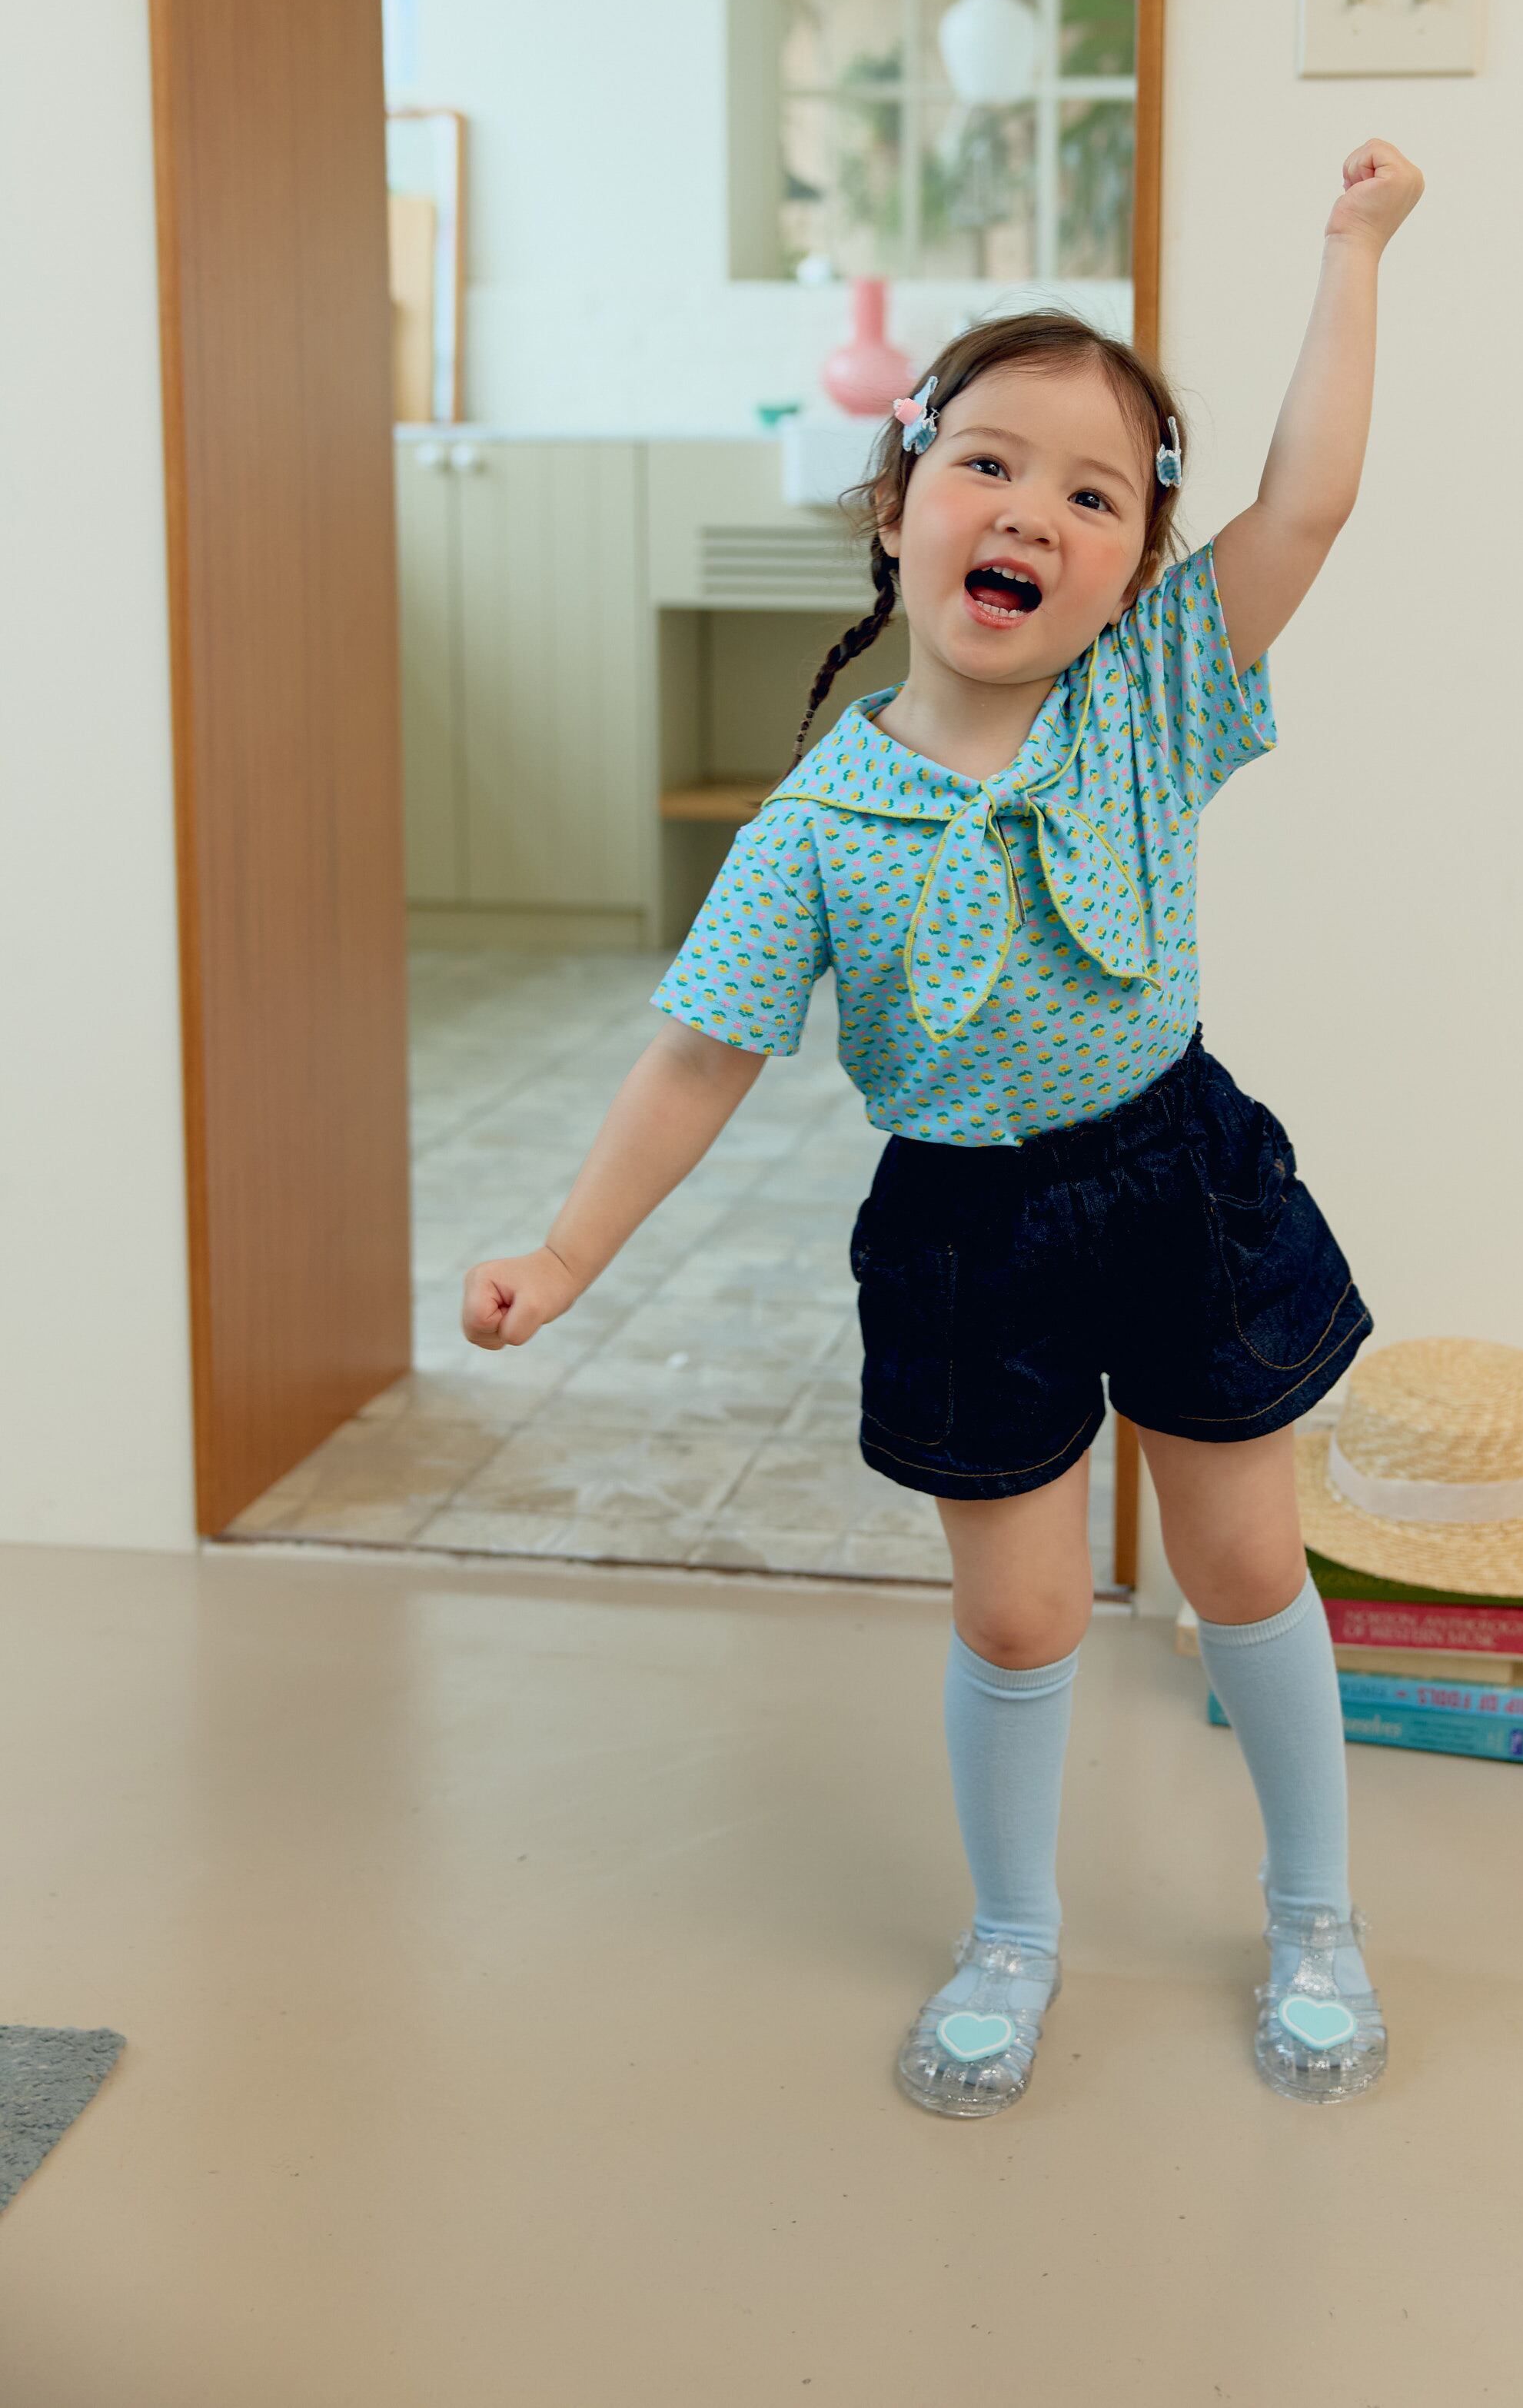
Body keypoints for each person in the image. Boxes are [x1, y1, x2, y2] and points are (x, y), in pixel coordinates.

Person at [462, 137, 1425, 2116]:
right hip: (970, 1237)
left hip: (1177, 1179)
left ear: (1133, 566)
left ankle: (1314, 1913)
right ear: (898, 502)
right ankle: (1012, 1934)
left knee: (1245, 1566)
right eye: (989, 462)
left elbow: (1310, 501)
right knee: (1018, 1603)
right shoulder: (811, 827)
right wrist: (566, 1251)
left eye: (1093, 493)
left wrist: (1352, 244)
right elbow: (698, 1060)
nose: (1032, 512)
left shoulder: (1151, 697)